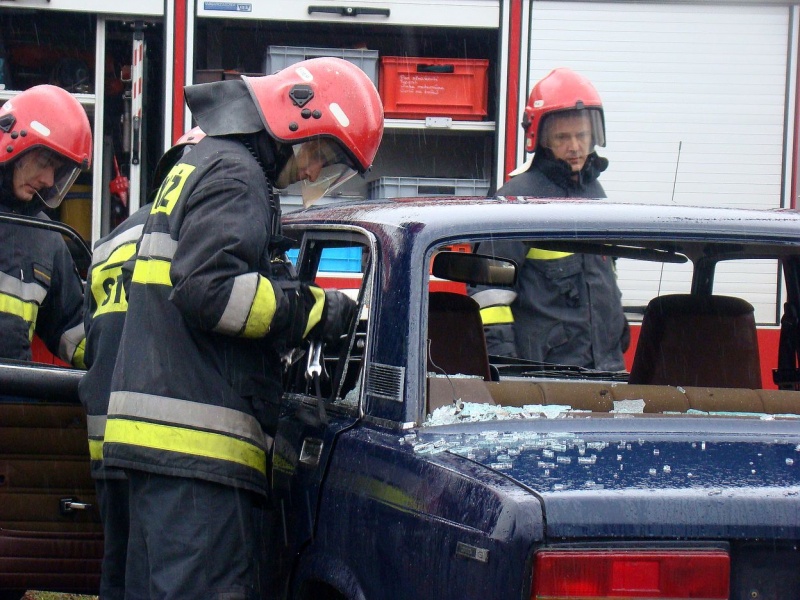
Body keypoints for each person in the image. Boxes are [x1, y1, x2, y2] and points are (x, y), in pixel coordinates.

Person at [103, 57, 384, 598]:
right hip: (196, 455)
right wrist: (311, 310)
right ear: (293, 118)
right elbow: (208, 291)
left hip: (159, 448)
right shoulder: (238, 176)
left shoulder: (204, 160)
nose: (312, 174)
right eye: (319, 155)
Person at [78, 127, 205, 600]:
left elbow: (90, 340)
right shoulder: (197, 231)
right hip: (163, 442)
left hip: (108, 436)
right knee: (159, 579)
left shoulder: (109, 242)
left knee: (118, 572)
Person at [473, 67, 629, 371]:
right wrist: (506, 365)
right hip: (548, 375)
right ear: (541, 139)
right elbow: (487, 294)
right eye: (562, 137)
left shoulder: (595, 193)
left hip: (607, 368)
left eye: (582, 135)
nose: (575, 146)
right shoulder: (517, 201)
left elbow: (603, 275)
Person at [0, 84, 92, 366]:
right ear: (12, 143)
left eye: (57, 169)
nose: (49, 180)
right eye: (44, 162)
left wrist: (118, 361)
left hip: (12, 392)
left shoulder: (46, 238)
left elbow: (74, 329)